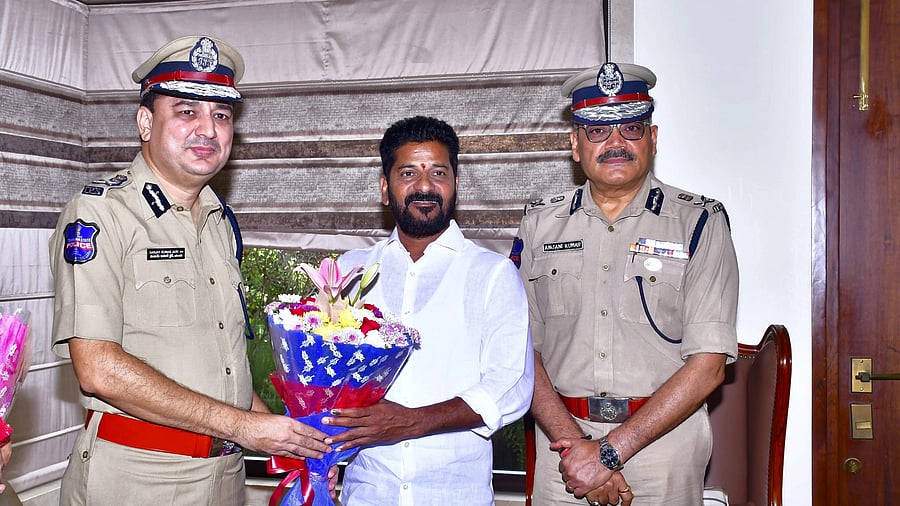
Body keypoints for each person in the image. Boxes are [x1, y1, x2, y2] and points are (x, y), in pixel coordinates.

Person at [49, 35, 332, 506]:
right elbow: (97, 369)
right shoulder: (101, 214)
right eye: (186, 112)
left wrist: (287, 435)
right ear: (145, 121)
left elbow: (223, 371)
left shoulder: (221, 222)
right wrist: (245, 426)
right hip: (139, 477)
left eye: (221, 116)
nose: (208, 130)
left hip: (225, 476)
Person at [512, 62, 739, 506]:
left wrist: (611, 452)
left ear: (652, 139)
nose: (615, 143)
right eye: (597, 132)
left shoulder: (699, 222)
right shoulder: (538, 225)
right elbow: (520, 351)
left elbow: (709, 364)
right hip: (564, 455)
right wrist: (578, 450)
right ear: (575, 146)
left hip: (663, 452)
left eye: (630, 128)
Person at [322, 116, 534, 505]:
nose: (424, 186)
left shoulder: (493, 274)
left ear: (455, 185)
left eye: (438, 172)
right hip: (367, 495)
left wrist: (411, 423)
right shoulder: (350, 271)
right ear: (386, 188)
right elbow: (325, 380)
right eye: (408, 173)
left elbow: (510, 387)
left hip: (457, 495)